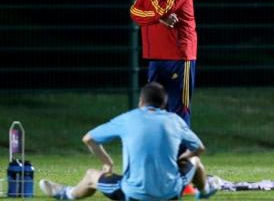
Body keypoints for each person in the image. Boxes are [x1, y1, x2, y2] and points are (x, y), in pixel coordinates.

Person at [39, 82, 217, 200]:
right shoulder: (174, 120)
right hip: (170, 193)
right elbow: (199, 148)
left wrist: (108, 163)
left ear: (141, 101)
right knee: (195, 161)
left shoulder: (128, 118)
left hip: (133, 195)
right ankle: (205, 191)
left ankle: (65, 193)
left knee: (91, 175)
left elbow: (88, 139)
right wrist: (182, 158)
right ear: (164, 104)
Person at [130, 0, 198, 128]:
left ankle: (184, 154)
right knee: (152, 109)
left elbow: (164, 9)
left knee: (178, 110)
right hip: (156, 57)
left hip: (179, 57)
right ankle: (159, 152)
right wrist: (159, 18)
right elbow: (134, 13)